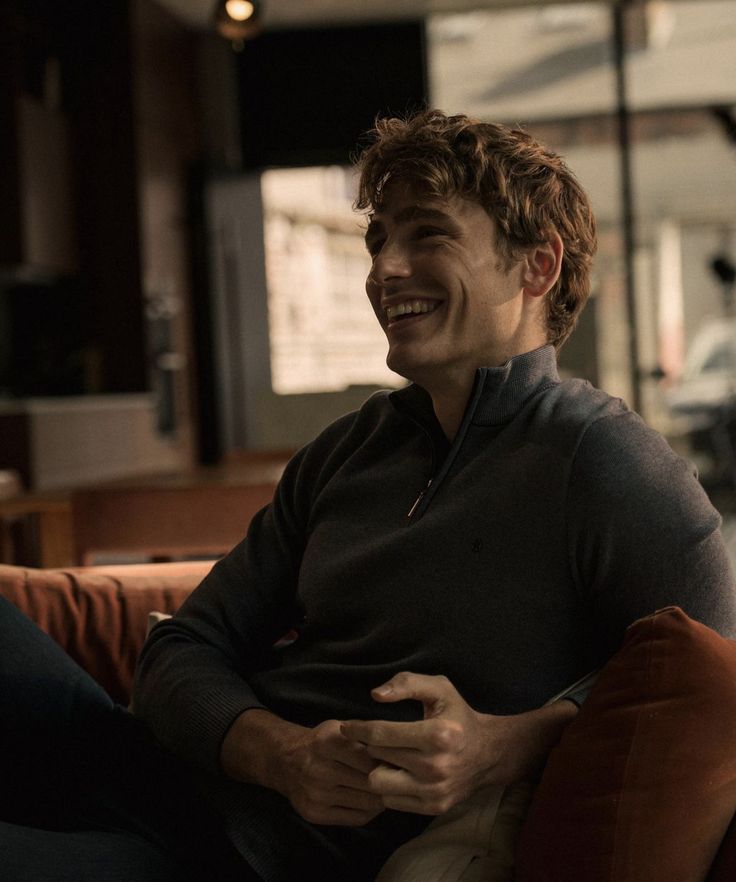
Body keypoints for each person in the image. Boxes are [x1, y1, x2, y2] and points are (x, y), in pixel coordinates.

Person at [2, 109, 735, 882]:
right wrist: (280, 754)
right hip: (150, 769)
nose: (384, 268)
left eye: (428, 234)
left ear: (537, 267)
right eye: (378, 239)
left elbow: (708, 680)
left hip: (230, 856)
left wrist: (505, 745)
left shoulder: (605, 459)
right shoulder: (349, 448)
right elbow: (179, 649)